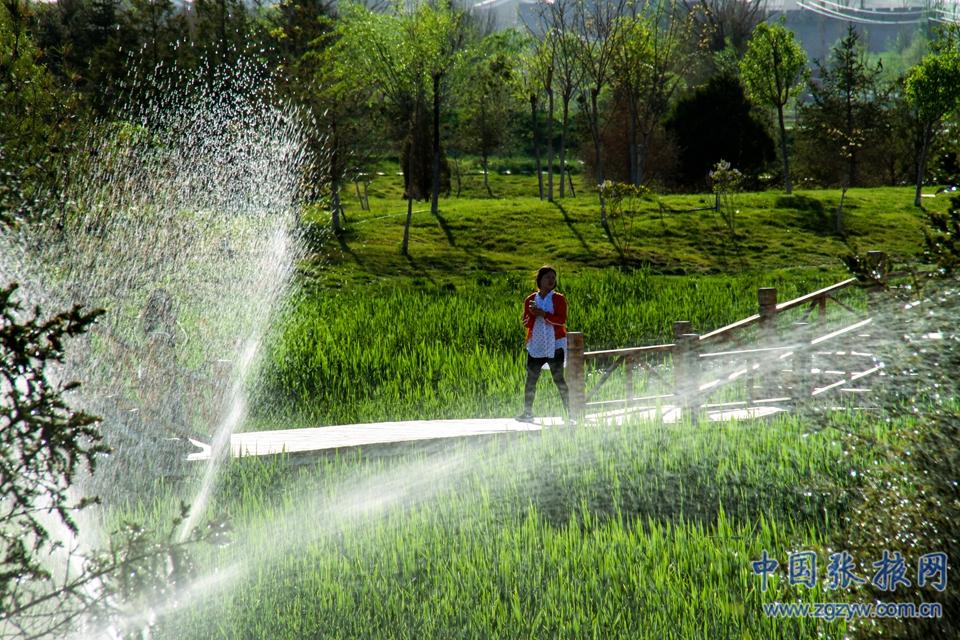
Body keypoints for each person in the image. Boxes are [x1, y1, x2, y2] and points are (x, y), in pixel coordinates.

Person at [517, 265, 572, 424]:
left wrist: (543, 314)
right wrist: (533, 314)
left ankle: (569, 413)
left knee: (559, 379)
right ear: (540, 280)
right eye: (548, 277)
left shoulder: (559, 298)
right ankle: (527, 413)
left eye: (553, 278)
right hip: (536, 345)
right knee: (531, 380)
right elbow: (526, 322)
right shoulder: (530, 299)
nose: (551, 280)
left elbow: (561, 320)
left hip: (555, 345)